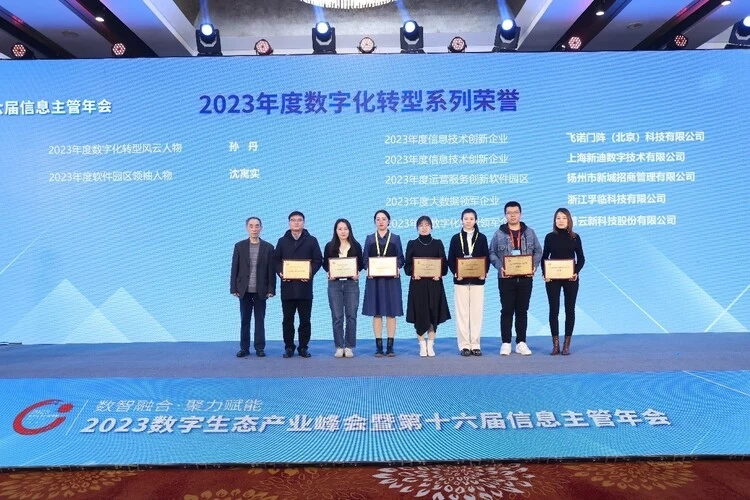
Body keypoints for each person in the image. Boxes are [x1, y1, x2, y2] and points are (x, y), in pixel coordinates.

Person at [489, 201, 542, 356]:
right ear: (505, 215)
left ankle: (521, 342)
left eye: (515, 212)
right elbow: (491, 252)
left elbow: (538, 251)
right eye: (509, 213)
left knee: (522, 310)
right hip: (506, 278)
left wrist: (533, 266)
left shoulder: (530, 232)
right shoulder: (499, 233)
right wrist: (500, 267)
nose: (512, 215)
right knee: (506, 310)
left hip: (525, 278)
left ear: (521, 214)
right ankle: (506, 343)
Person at [274, 211, 322, 358]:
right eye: (293, 220)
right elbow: (276, 260)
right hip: (287, 287)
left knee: (305, 320)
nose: (296, 222)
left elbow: (318, 260)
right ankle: (289, 347)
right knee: (287, 320)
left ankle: (303, 347)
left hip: (304, 288)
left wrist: (309, 273)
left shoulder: (312, 240)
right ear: (289, 223)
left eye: (299, 220)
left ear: (304, 222)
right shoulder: (282, 241)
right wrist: (281, 272)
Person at [230, 217, 276, 358]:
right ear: (247, 228)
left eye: (257, 226)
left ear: (261, 228)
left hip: (261, 290)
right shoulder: (239, 246)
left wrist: (271, 289)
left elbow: (271, 270)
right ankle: (244, 348)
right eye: (251, 226)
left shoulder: (268, 247)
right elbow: (234, 267)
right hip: (244, 290)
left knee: (260, 320)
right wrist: (233, 288)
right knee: (245, 320)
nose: (254, 229)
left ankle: (259, 348)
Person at [405, 216, 450, 357]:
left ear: (431, 227)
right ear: (417, 228)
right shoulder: (412, 244)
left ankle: (430, 344)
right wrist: (413, 273)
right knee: (419, 314)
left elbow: (444, 266)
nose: (424, 227)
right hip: (418, 285)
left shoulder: (438, 243)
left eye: (427, 225)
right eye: (421, 225)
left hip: (434, 284)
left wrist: (439, 273)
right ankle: (422, 345)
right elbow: (407, 267)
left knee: (433, 314)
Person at [542, 208, 585, 356]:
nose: (561, 221)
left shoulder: (575, 237)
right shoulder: (549, 237)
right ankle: (555, 345)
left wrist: (575, 272)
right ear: (554, 220)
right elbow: (544, 257)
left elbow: (581, 258)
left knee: (569, 309)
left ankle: (566, 345)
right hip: (552, 279)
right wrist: (545, 274)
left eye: (564, 218)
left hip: (570, 279)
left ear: (569, 220)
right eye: (558, 218)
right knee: (553, 310)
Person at [447, 208, 490, 356]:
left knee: (477, 313)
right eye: (466, 219)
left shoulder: (482, 238)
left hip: (478, 280)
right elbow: (450, 258)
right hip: (460, 280)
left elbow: (486, 257)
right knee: (462, 313)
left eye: (471, 219)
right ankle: (464, 345)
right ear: (461, 220)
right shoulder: (455, 238)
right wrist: (456, 272)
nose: (468, 221)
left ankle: (475, 344)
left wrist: (484, 272)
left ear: (475, 220)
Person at [362, 210, 404, 357]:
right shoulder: (369, 239)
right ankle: (379, 347)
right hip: (375, 281)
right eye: (378, 219)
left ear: (389, 221)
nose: (381, 222)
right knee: (377, 313)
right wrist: (369, 269)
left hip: (391, 281)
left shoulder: (395, 238)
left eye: (384, 219)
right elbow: (365, 259)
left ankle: (390, 347)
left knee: (391, 313)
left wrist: (396, 267)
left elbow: (401, 258)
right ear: (375, 222)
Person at [322, 219, 363, 358]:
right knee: (337, 316)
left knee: (351, 316)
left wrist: (357, 273)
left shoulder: (356, 246)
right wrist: (330, 273)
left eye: (345, 228)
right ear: (335, 231)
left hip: (351, 284)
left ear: (349, 230)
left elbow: (361, 263)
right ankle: (339, 346)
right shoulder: (329, 246)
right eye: (340, 229)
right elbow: (325, 263)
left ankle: (349, 346)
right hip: (335, 284)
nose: (343, 231)